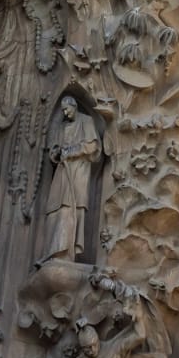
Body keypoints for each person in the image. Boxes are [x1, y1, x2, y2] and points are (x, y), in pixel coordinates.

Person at [42, 99, 100, 262]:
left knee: (73, 206)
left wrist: (71, 151)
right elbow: (55, 149)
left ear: (74, 106)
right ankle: (55, 249)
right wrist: (56, 153)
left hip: (79, 170)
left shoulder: (86, 121)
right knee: (57, 206)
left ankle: (68, 251)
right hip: (63, 171)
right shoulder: (62, 126)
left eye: (67, 110)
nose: (65, 114)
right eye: (63, 111)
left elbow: (92, 146)